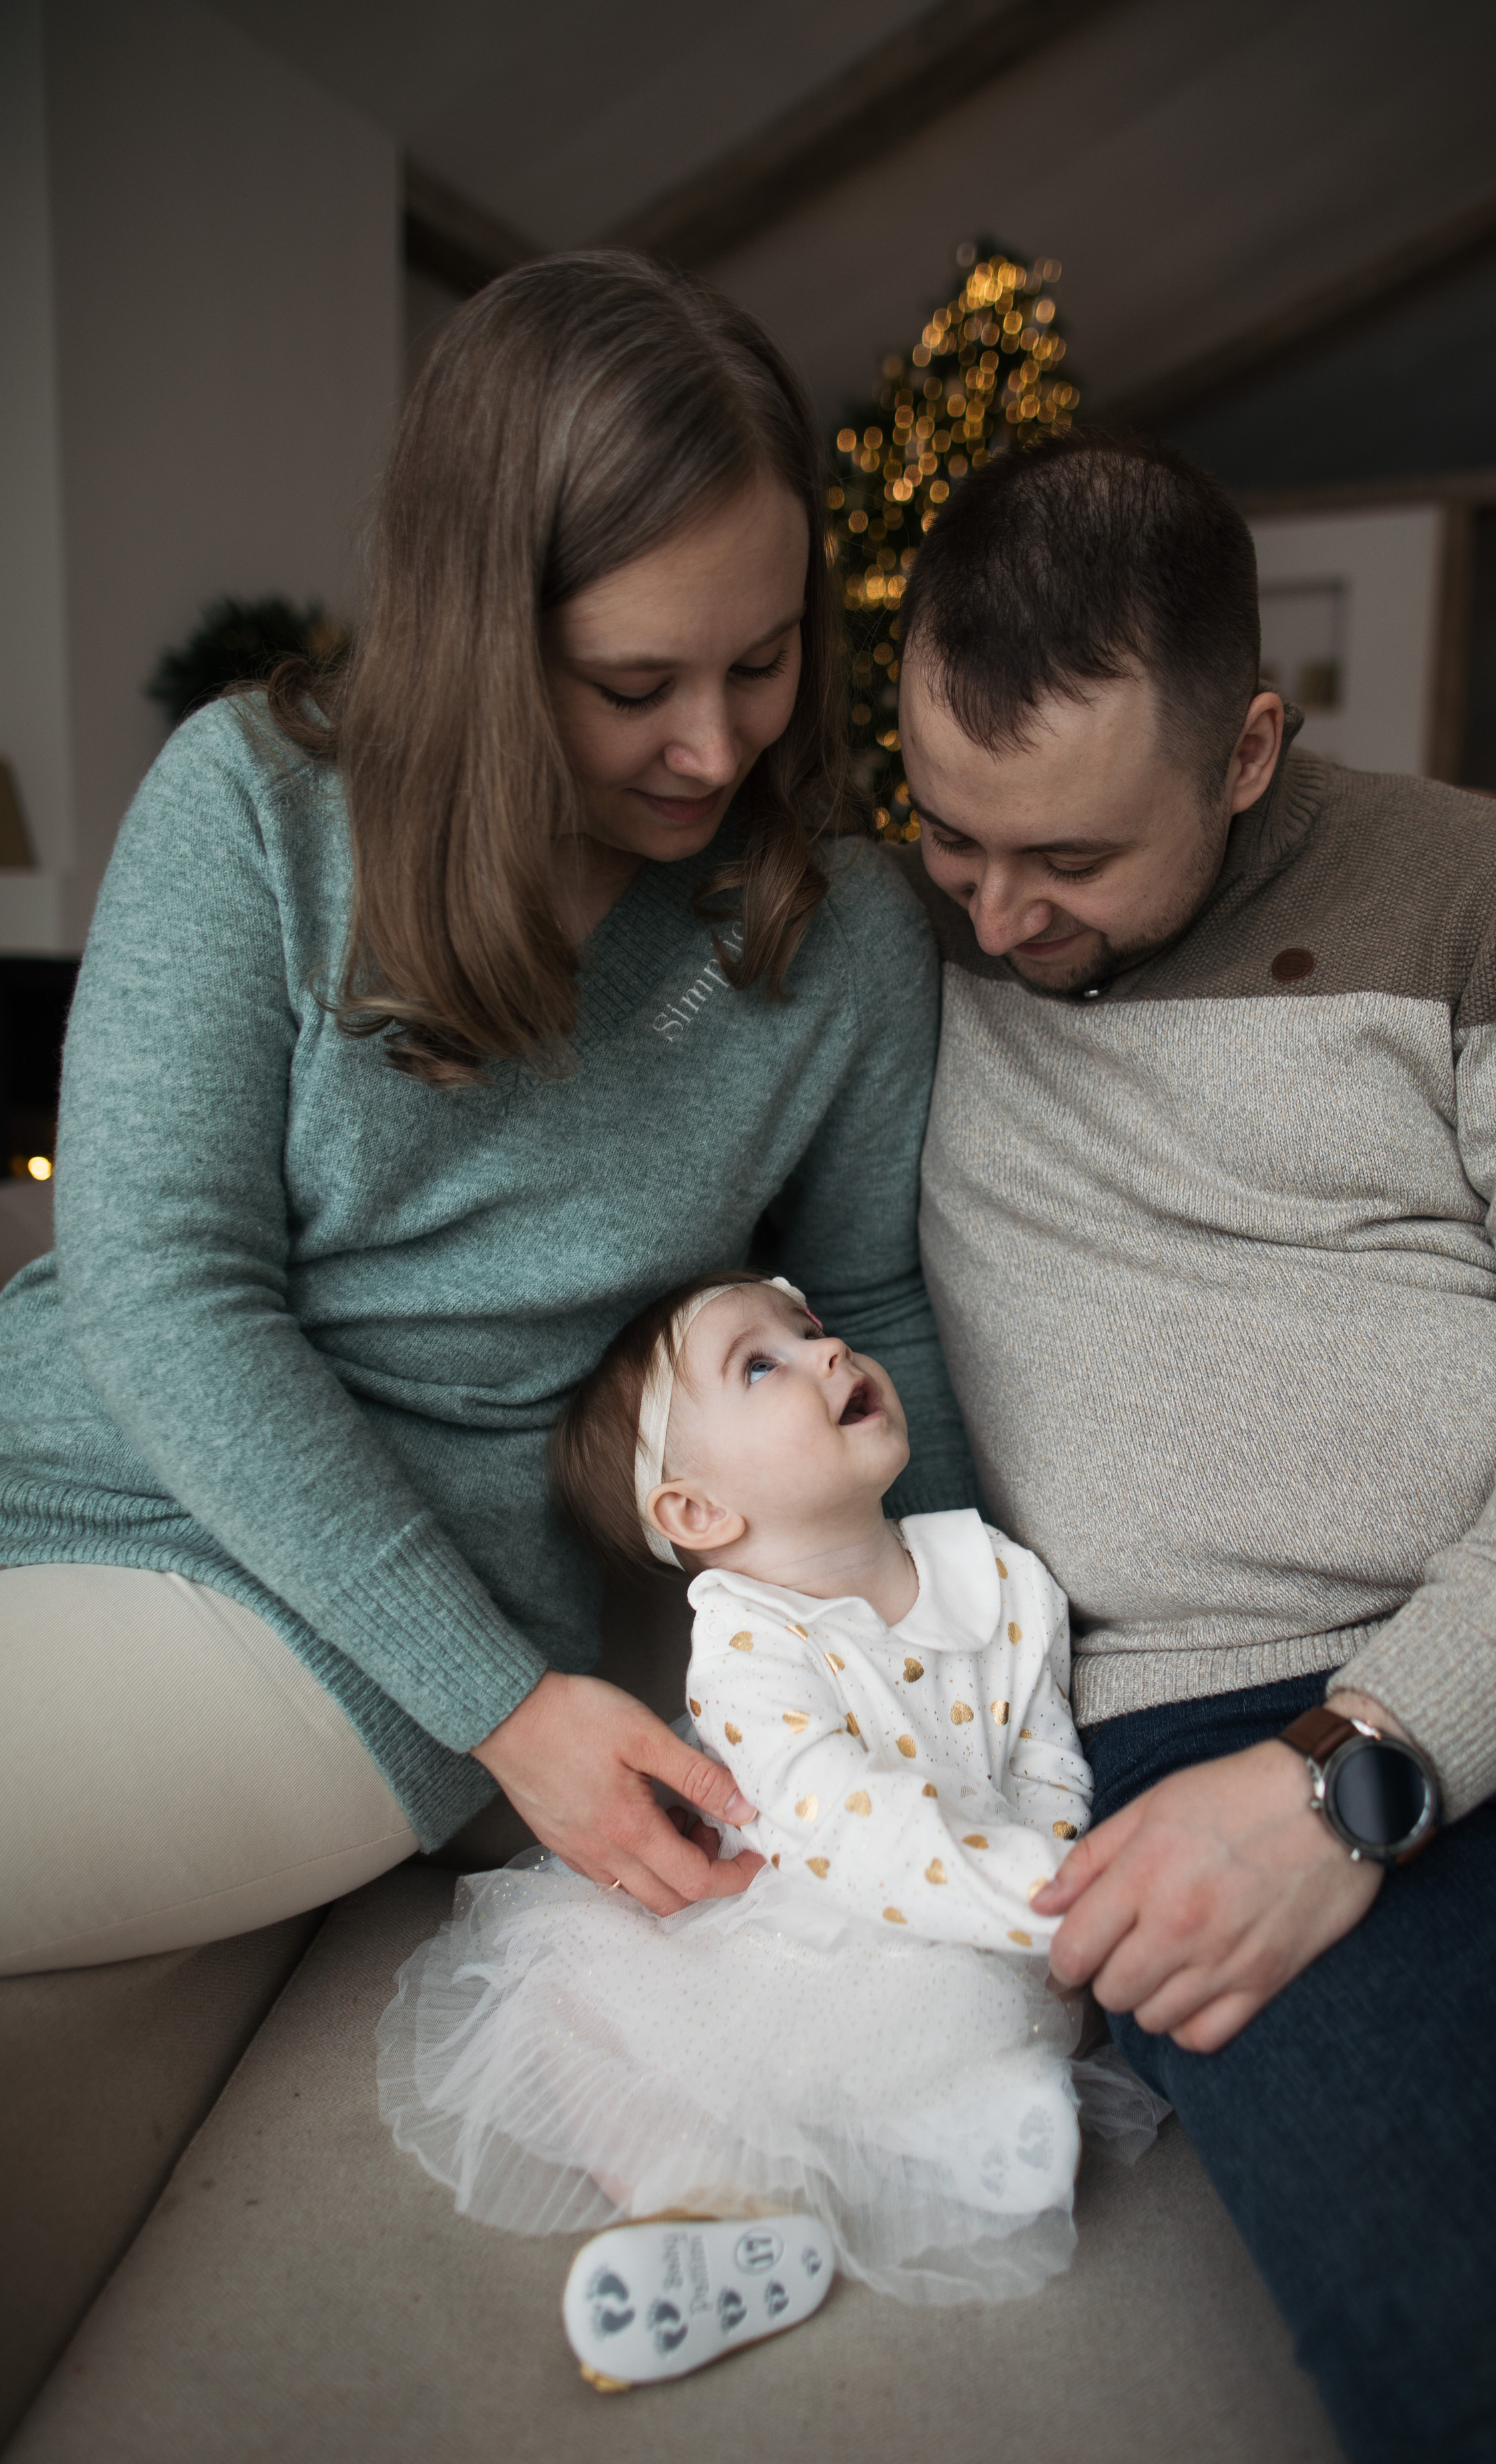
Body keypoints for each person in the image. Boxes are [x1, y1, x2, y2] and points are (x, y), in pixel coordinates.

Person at [895, 431, 1496, 2464]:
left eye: (1063, 853)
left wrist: (1373, 1754)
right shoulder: (878, 930)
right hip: (1207, 1714)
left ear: (1250, 744)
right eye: (946, 833)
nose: (991, 910)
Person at [0, 250, 974, 1976]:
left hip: (349, 1639)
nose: (715, 747)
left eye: (764, 661)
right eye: (633, 687)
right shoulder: (254, 806)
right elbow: (159, 1284)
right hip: (52, 1459)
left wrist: (954, 1651)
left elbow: (874, 1304)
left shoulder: (835, 937)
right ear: (479, 627)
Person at [379, 1269, 1162, 2391]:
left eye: (812, 1331)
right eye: (764, 1364)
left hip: (984, 1933)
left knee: (971, 2002)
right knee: (560, 1976)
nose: (827, 1354)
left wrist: (1051, 1874)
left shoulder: (1000, 1575)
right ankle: (697, 2204)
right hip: (808, 1917)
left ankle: (972, 2129)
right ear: (698, 1513)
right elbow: (828, 1812)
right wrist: (1038, 1888)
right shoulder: (747, 1639)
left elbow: (1045, 1754)